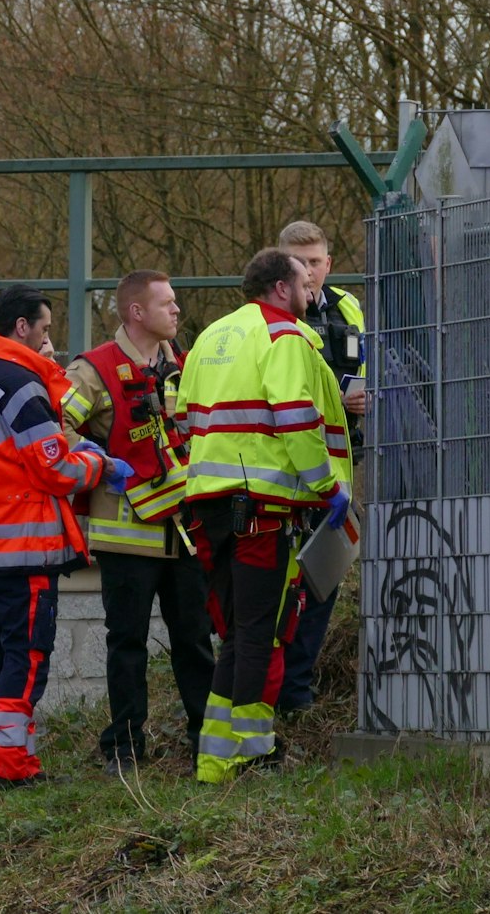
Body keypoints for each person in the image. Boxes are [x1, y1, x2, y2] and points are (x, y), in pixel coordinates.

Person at [0, 285, 131, 788]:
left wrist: (48, 372)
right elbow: (57, 468)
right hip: (22, 550)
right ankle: (9, 765)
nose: (51, 339)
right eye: (44, 329)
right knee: (26, 659)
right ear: (21, 327)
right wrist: (100, 462)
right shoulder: (21, 386)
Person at [177, 248, 351, 783]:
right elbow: (296, 417)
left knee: (238, 634)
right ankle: (250, 753)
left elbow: (183, 417)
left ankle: (215, 758)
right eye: (303, 283)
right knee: (260, 634)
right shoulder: (286, 338)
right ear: (280, 288)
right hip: (262, 509)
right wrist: (326, 486)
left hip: (210, 505)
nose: (310, 293)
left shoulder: (211, 336)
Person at [63, 270, 215, 776]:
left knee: (194, 639)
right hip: (127, 534)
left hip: (184, 531)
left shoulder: (187, 366)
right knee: (125, 644)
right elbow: (56, 427)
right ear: (136, 312)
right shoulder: (95, 371)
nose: (176, 311)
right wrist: (98, 460)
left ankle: (205, 741)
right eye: (166, 303)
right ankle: (124, 748)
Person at [275, 220, 370, 713]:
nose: (309, 273)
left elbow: (367, 367)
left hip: (342, 466)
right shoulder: (275, 316)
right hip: (291, 471)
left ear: (329, 264)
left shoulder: (349, 308)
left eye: (316, 262)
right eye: (299, 263)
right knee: (283, 585)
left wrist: (365, 399)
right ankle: (283, 691)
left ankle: (298, 690)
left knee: (324, 579)